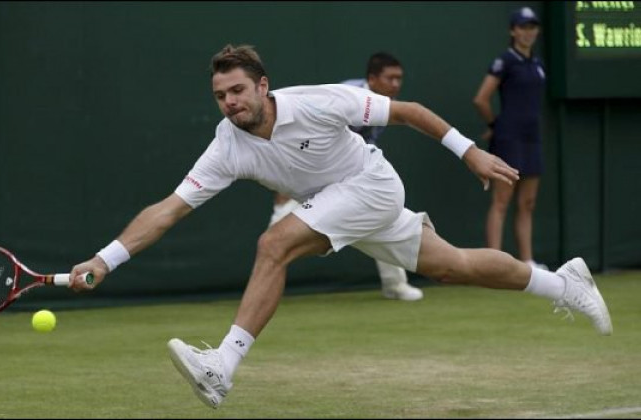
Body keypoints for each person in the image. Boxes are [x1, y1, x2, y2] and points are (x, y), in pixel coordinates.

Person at [68, 44, 612, 409]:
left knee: (274, 242)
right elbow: (169, 209)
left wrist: (469, 152)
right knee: (454, 266)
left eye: (238, 91)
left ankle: (222, 366)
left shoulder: (318, 102)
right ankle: (566, 283)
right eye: (220, 96)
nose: (230, 103)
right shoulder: (226, 144)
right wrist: (105, 257)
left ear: (262, 86)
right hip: (339, 205)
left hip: (372, 186)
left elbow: (410, 111)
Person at [269, 52, 423, 302]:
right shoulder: (346, 95)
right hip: (312, 172)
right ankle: (264, 287)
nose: (396, 84)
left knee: (382, 218)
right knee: (277, 230)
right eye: (390, 78)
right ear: (372, 79)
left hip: (351, 175)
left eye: (399, 78)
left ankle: (394, 285)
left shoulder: (386, 104)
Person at [473, 6, 548, 270]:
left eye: (532, 27)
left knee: (527, 203)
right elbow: (481, 99)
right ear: (513, 31)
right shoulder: (505, 61)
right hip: (509, 138)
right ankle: (495, 263)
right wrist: (495, 125)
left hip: (532, 138)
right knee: (502, 201)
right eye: (523, 27)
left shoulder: (537, 64)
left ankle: (527, 261)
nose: (528, 32)